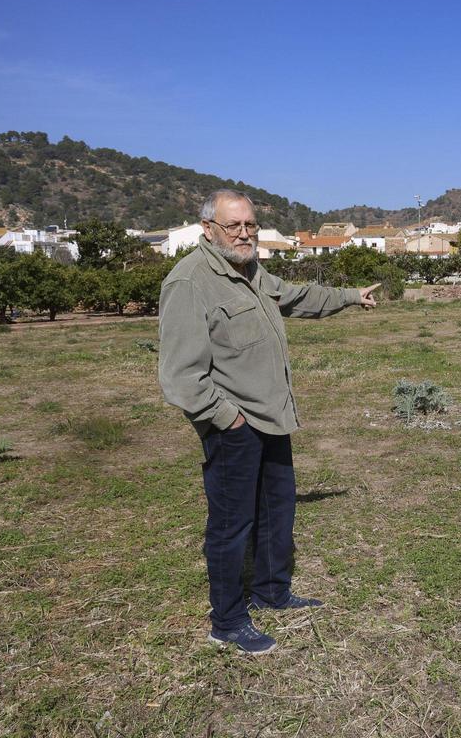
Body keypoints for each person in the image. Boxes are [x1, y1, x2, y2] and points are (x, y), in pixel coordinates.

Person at [158, 189, 379, 655]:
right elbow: (181, 377)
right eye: (233, 226)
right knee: (231, 524)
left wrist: (350, 296)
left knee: (278, 511)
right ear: (208, 230)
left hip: (273, 416)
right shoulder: (190, 282)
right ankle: (228, 621)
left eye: (250, 226)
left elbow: (298, 296)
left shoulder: (251, 271)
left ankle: (272, 592)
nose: (244, 234)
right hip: (234, 425)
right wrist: (229, 419)